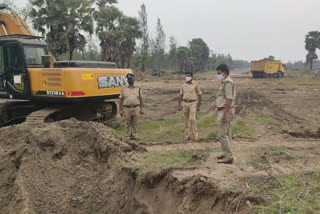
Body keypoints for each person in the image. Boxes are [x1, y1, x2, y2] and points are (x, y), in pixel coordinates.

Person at [215, 64, 236, 164]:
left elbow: (229, 99)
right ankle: (227, 153)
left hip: (225, 110)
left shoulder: (227, 83)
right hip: (225, 110)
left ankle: (229, 156)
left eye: (219, 73)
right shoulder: (225, 82)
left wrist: (225, 114)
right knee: (227, 133)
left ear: (225, 72)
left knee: (222, 134)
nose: (218, 75)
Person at [178, 72, 202, 141]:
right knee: (186, 120)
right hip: (185, 103)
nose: (187, 78)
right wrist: (179, 105)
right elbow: (180, 95)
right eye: (186, 76)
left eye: (188, 76)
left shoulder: (196, 84)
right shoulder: (183, 85)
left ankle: (195, 135)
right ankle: (187, 135)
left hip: (193, 103)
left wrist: (198, 106)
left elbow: (200, 95)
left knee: (192, 119)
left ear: (192, 77)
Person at [119, 73, 144, 140]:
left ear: (134, 79)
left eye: (131, 79)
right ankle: (128, 136)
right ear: (127, 80)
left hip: (136, 107)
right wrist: (120, 110)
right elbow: (121, 100)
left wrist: (141, 108)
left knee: (135, 122)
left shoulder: (138, 88)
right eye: (129, 79)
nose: (130, 80)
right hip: (126, 108)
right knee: (127, 122)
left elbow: (141, 98)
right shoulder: (123, 88)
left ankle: (134, 135)